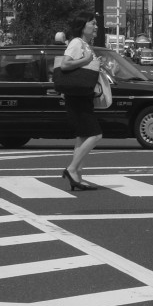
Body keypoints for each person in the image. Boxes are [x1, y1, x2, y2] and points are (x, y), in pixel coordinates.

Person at [57, 17, 104, 190]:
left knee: (82, 136)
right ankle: (71, 169)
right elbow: (65, 64)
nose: (96, 26)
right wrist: (86, 61)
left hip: (83, 95)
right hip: (76, 95)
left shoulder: (85, 45)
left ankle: (77, 175)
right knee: (96, 135)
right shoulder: (76, 43)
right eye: (93, 23)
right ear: (83, 26)